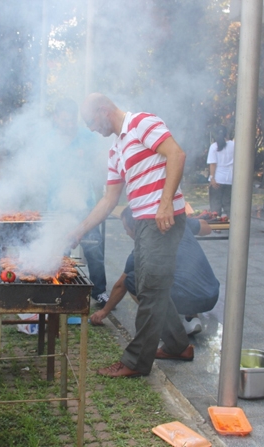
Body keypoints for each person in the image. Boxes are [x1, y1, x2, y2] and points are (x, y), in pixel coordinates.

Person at [70, 93, 192, 378]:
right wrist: (80, 229)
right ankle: (178, 345)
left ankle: (136, 361)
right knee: (148, 284)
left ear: (103, 110)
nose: (90, 128)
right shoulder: (115, 151)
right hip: (145, 223)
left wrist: (165, 203)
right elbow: (108, 200)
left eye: (90, 121)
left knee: (149, 287)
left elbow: (177, 154)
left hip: (162, 219)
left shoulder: (141, 123)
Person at [90, 207, 220, 334]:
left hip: (186, 298)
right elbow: (206, 228)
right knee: (181, 272)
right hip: (211, 295)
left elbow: (120, 285)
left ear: (137, 227)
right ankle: (191, 317)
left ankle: (165, 327)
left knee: (132, 279)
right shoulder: (175, 223)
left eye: (127, 229)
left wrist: (104, 312)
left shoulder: (140, 251)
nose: (127, 233)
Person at [49, 99, 109, 306]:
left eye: (71, 120)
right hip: (56, 207)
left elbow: (100, 164)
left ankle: (100, 291)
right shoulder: (49, 140)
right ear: (56, 118)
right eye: (64, 120)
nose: (68, 124)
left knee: (94, 249)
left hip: (85, 206)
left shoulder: (87, 137)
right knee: (59, 250)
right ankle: (59, 289)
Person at [206, 126, 234, 216]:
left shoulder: (214, 146)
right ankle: (231, 224)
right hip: (230, 178)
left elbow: (213, 164)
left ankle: (216, 226)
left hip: (217, 178)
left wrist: (212, 178)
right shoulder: (234, 145)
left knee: (215, 204)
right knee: (228, 203)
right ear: (227, 134)